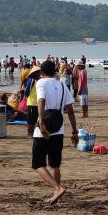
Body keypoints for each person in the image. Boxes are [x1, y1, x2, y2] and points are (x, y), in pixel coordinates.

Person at [33, 60, 78, 205]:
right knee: (55, 165)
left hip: (44, 129)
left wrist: (42, 124)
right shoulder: (63, 85)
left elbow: (41, 101)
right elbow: (70, 110)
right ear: (55, 71)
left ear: (42, 73)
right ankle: (57, 198)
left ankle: (57, 188)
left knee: (38, 163)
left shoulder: (41, 83)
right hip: (59, 129)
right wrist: (74, 131)